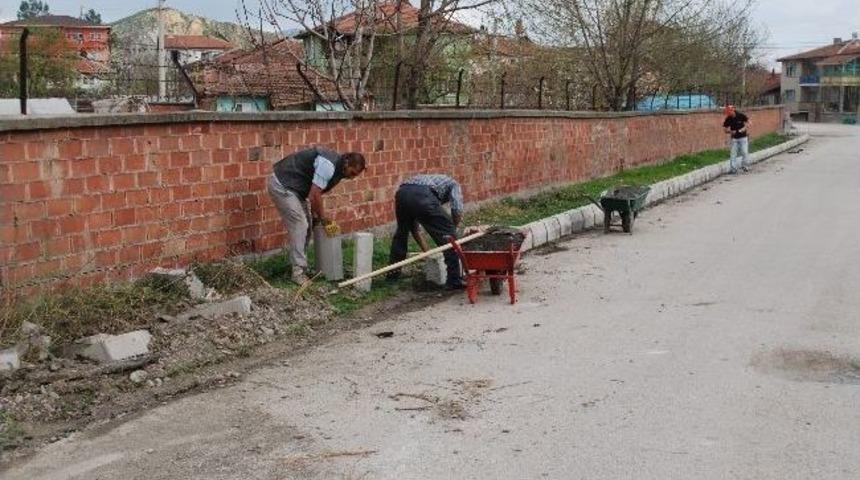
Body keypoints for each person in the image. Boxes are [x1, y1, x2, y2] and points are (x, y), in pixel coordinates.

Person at [267, 147, 366, 284]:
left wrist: (315, 218)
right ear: (346, 162)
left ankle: (301, 267)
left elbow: (313, 194)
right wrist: (323, 219)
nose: (352, 177)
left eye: (355, 175)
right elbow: (314, 195)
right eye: (352, 172)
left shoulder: (339, 171)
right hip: (282, 185)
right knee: (300, 224)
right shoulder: (328, 165)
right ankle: (298, 273)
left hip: (296, 190)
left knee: (308, 226)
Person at [386, 174, 466, 289]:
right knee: (448, 234)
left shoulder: (428, 182)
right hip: (422, 195)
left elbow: (414, 229)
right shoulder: (454, 185)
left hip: (402, 193)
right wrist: (453, 228)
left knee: (401, 233)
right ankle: (454, 280)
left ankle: (392, 275)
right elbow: (457, 209)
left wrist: (427, 252)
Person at [722, 105, 752, 174]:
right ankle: (733, 169)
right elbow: (725, 129)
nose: (729, 113)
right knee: (733, 154)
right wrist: (730, 131)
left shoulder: (740, 115)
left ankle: (745, 166)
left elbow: (750, 122)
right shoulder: (728, 118)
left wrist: (744, 128)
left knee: (744, 152)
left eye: (730, 111)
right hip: (734, 138)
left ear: (733, 110)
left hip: (743, 137)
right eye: (728, 112)